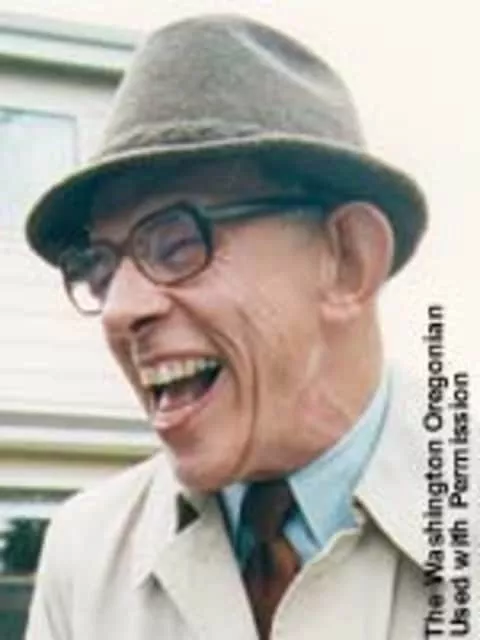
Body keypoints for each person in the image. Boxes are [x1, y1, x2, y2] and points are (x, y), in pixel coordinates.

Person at [24, 14, 471, 640]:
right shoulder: (86, 554)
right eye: (100, 267)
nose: (121, 309)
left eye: (177, 243)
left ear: (348, 260)